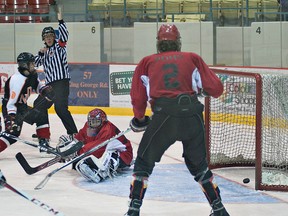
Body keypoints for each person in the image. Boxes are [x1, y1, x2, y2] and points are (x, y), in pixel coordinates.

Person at [125, 24, 229, 216]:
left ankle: (133, 211)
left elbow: (137, 97)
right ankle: (219, 209)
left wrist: (139, 119)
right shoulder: (192, 58)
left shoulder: (147, 62)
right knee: (199, 166)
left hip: (164, 117)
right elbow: (216, 88)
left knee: (143, 164)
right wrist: (202, 89)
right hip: (193, 116)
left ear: (158, 43)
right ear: (178, 42)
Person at [33, 5, 78, 148]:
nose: (49, 39)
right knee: (39, 105)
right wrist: (40, 53)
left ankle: (74, 134)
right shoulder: (43, 52)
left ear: (54, 37)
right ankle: (43, 133)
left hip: (62, 83)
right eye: (46, 37)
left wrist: (61, 20)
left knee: (60, 109)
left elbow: (64, 36)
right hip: (51, 86)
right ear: (44, 39)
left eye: (51, 36)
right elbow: (34, 64)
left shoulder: (60, 47)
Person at [57, 108, 133, 183]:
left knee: (111, 154)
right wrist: (69, 150)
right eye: (91, 121)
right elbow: (80, 137)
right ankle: (91, 166)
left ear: (103, 121)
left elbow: (97, 147)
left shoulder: (108, 129)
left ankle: (102, 173)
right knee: (82, 159)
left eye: (96, 122)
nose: (93, 124)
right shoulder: (88, 126)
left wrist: (77, 153)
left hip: (124, 155)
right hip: (102, 150)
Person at [0, 52, 54, 155]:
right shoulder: (17, 80)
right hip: (12, 109)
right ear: (25, 65)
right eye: (32, 63)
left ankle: (44, 146)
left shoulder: (32, 75)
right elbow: (11, 104)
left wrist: (45, 90)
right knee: (12, 136)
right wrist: (10, 119)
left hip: (22, 107)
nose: (34, 65)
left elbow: (38, 85)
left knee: (41, 116)